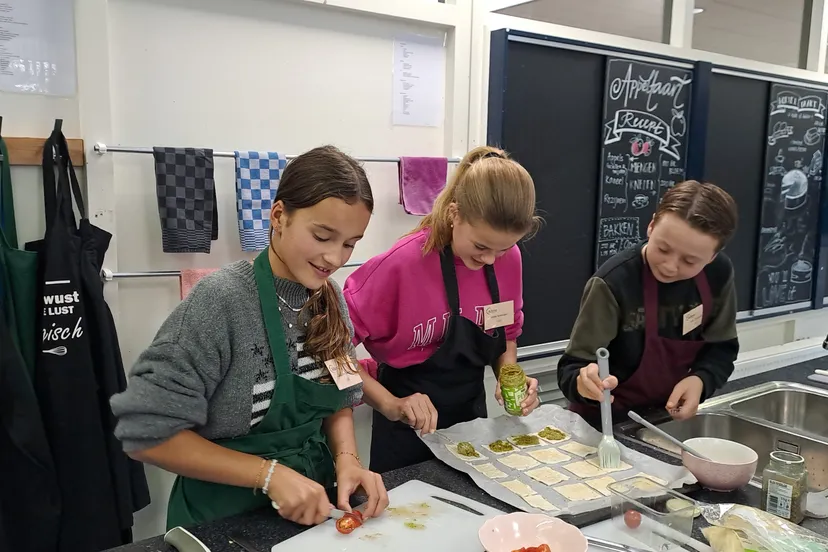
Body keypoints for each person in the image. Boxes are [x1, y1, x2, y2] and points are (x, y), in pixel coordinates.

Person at [110, 146, 388, 529]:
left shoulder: (331, 299)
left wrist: (347, 460)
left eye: (350, 243)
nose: (335, 258)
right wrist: (268, 475)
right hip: (223, 517)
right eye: (322, 236)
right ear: (279, 216)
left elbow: (338, 396)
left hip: (313, 508)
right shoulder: (221, 302)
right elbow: (145, 433)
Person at [343, 146, 543, 473]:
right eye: (480, 246)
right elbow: (330, 355)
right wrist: (389, 403)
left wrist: (511, 377)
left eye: (504, 248)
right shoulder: (402, 266)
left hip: (472, 424)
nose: (491, 260)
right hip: (406, 431)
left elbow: (505, 332)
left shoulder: (509, 261)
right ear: (455, 214)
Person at [558, 180, 739, 426]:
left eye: (690, 261)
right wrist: (583, 383)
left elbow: (721, 349)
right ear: (651, 226)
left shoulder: (718, 274)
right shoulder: (613, 283)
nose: (670, 266)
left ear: (712, 257)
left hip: (666, 418)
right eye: (663, 249)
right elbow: (572, 368)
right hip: (603, 423)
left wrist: (701, 380)